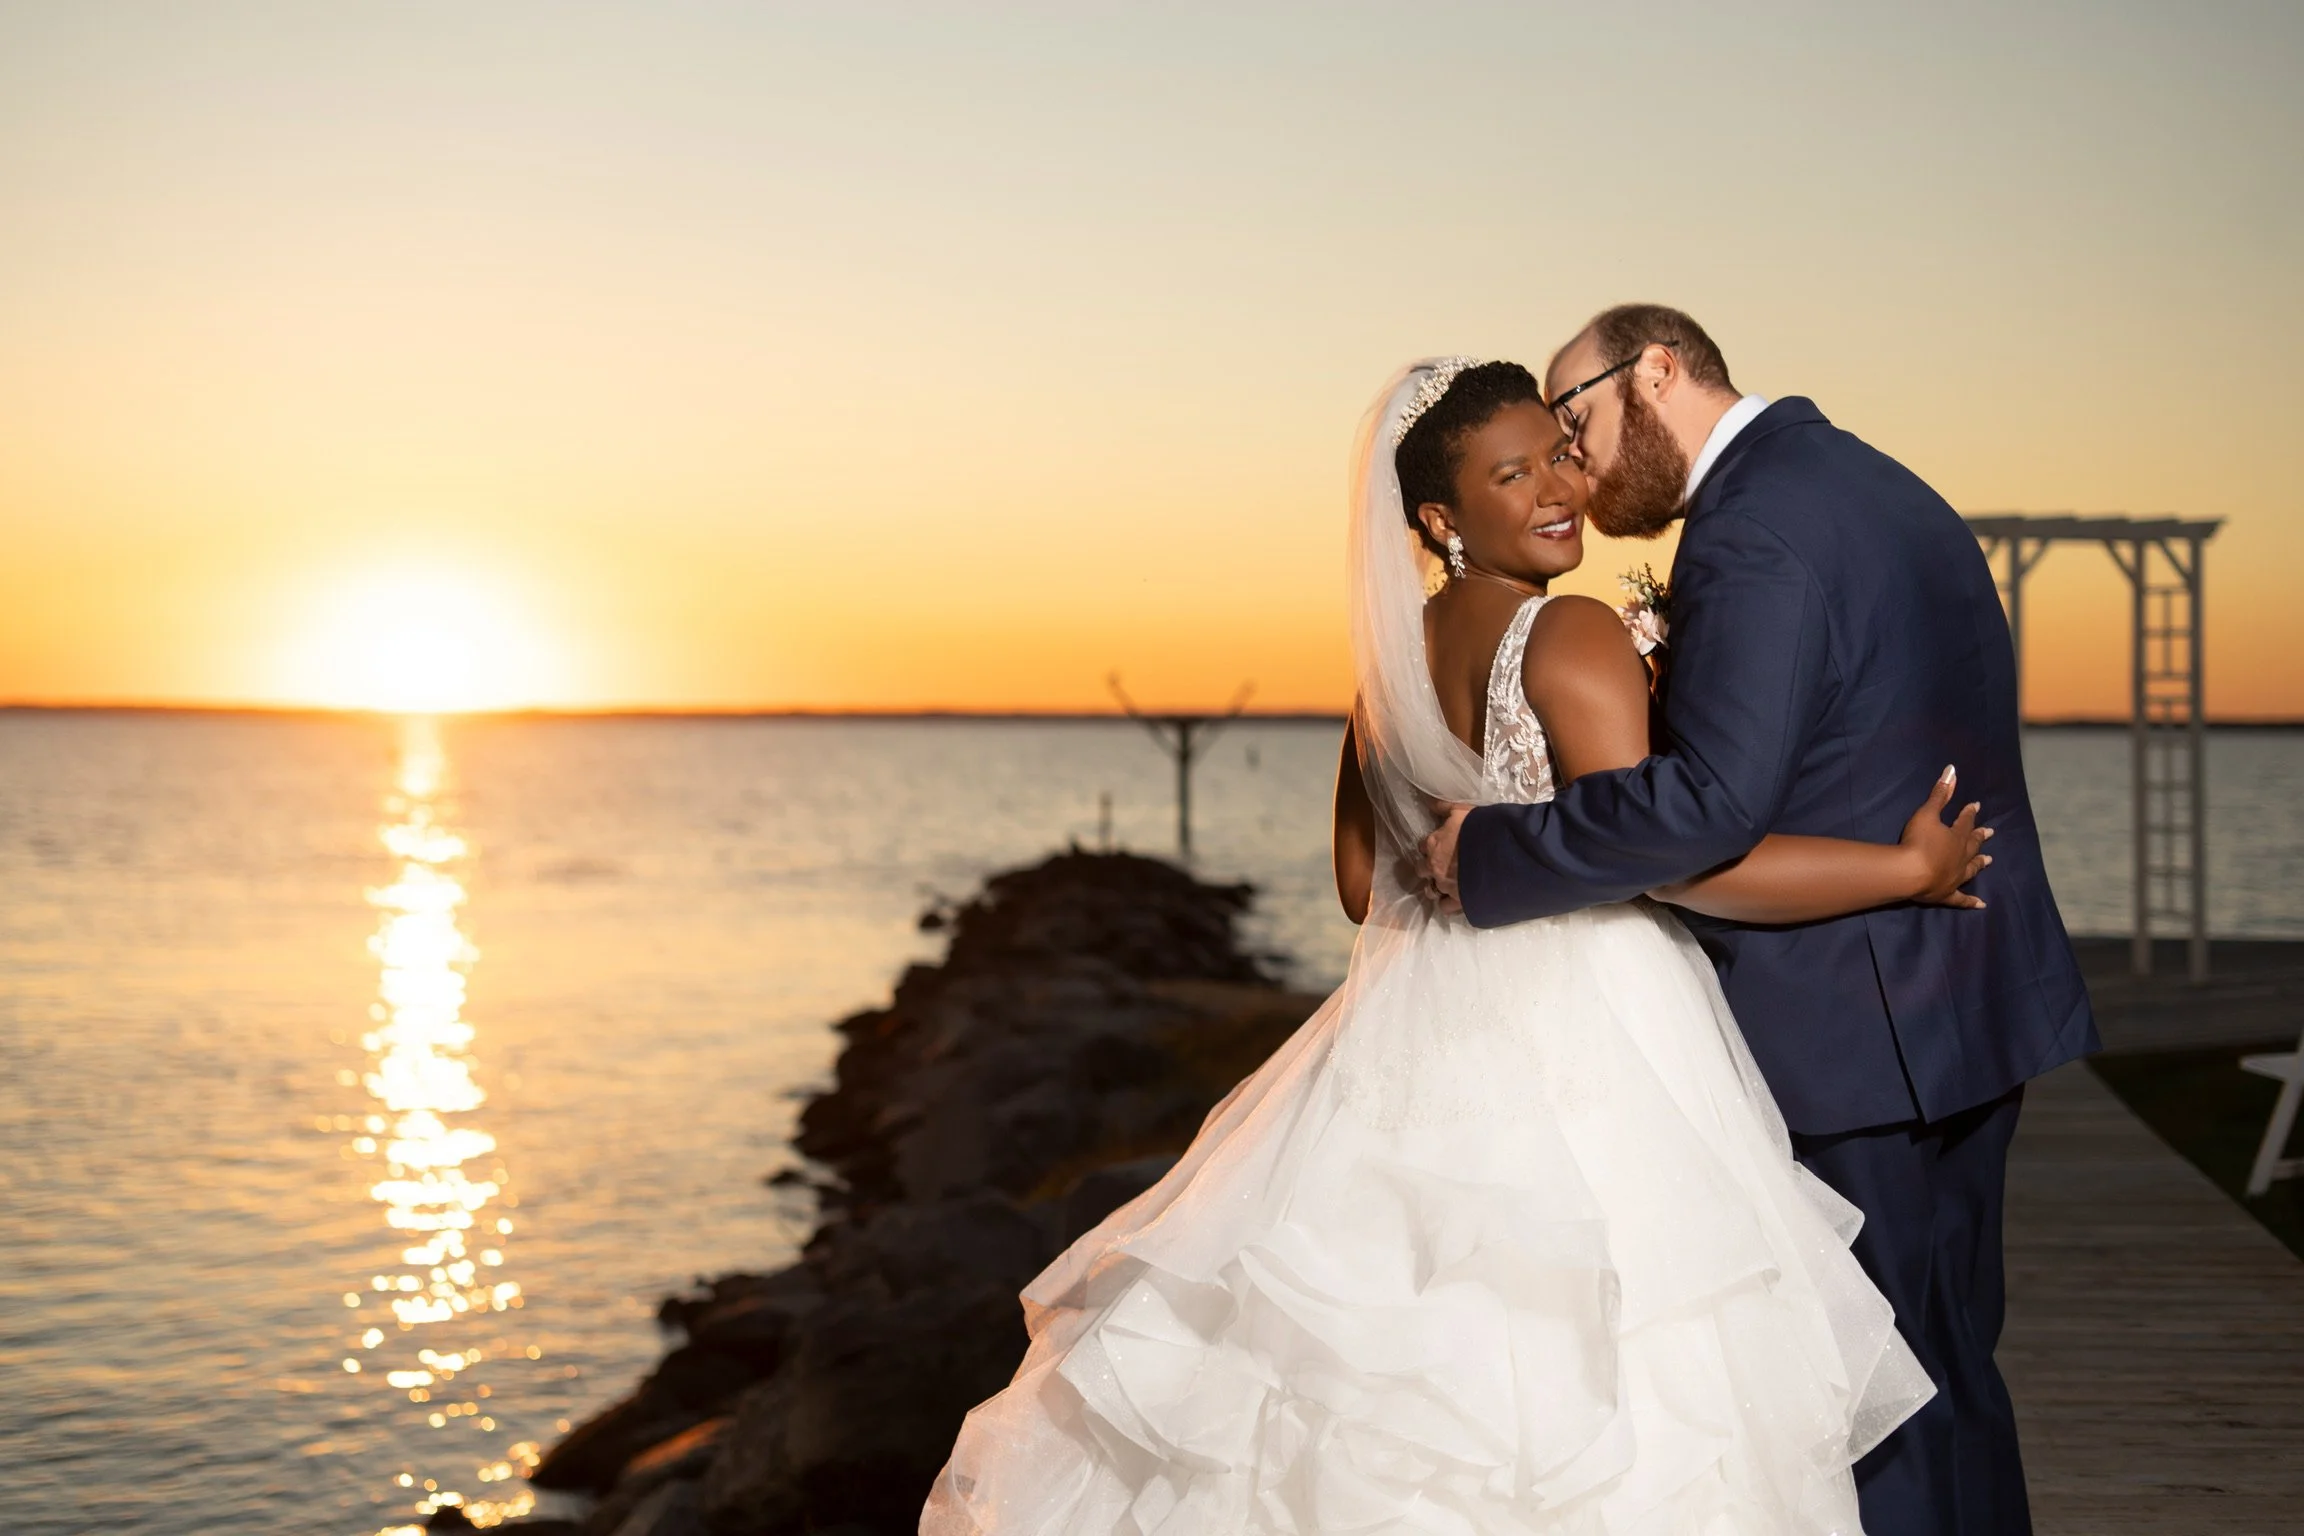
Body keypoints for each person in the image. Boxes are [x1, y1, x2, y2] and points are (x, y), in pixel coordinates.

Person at [922, 358, 1994, 1535]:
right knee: (1633, 1365)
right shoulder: (1571, 634)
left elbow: (1353, 883)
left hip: (1410, 1030)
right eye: (1513, 473)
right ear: (1441, 515)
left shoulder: (1390, 668)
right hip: (1594, 1023)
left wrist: (1472, 849)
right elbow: (1683, 857)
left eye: (1558, 457)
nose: (1557, 490)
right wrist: (1905, 869)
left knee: (1383, 1357)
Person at [1421, 308, 2099, 1536]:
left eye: (1575, 422)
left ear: (1659, 371)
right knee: (1952, 1376)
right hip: (1965, 997)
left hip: (1847, 1023)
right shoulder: (1881, 484)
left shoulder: (1752, 534)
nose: (1574, 464)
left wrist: (1495, 851)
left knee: (1868, 1400)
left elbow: (1707, 808)